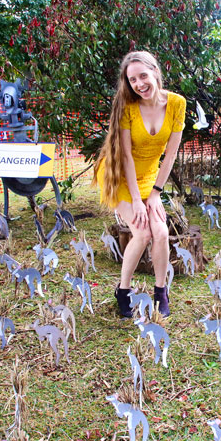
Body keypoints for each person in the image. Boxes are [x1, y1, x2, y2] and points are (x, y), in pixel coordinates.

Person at [93, 51, 185, 318]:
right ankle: (123, 290)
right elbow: (126, 157)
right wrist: (136, 199)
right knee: (142, 232)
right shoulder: (128, 107)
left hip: (148, 177)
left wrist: (155, 193)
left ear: (155, 71)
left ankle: (160, 291)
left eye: (142, 76)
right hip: (119, 174)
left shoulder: (177, 104)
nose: (138, 84)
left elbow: (171, 154)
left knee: (162, 232)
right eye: (132, 80)